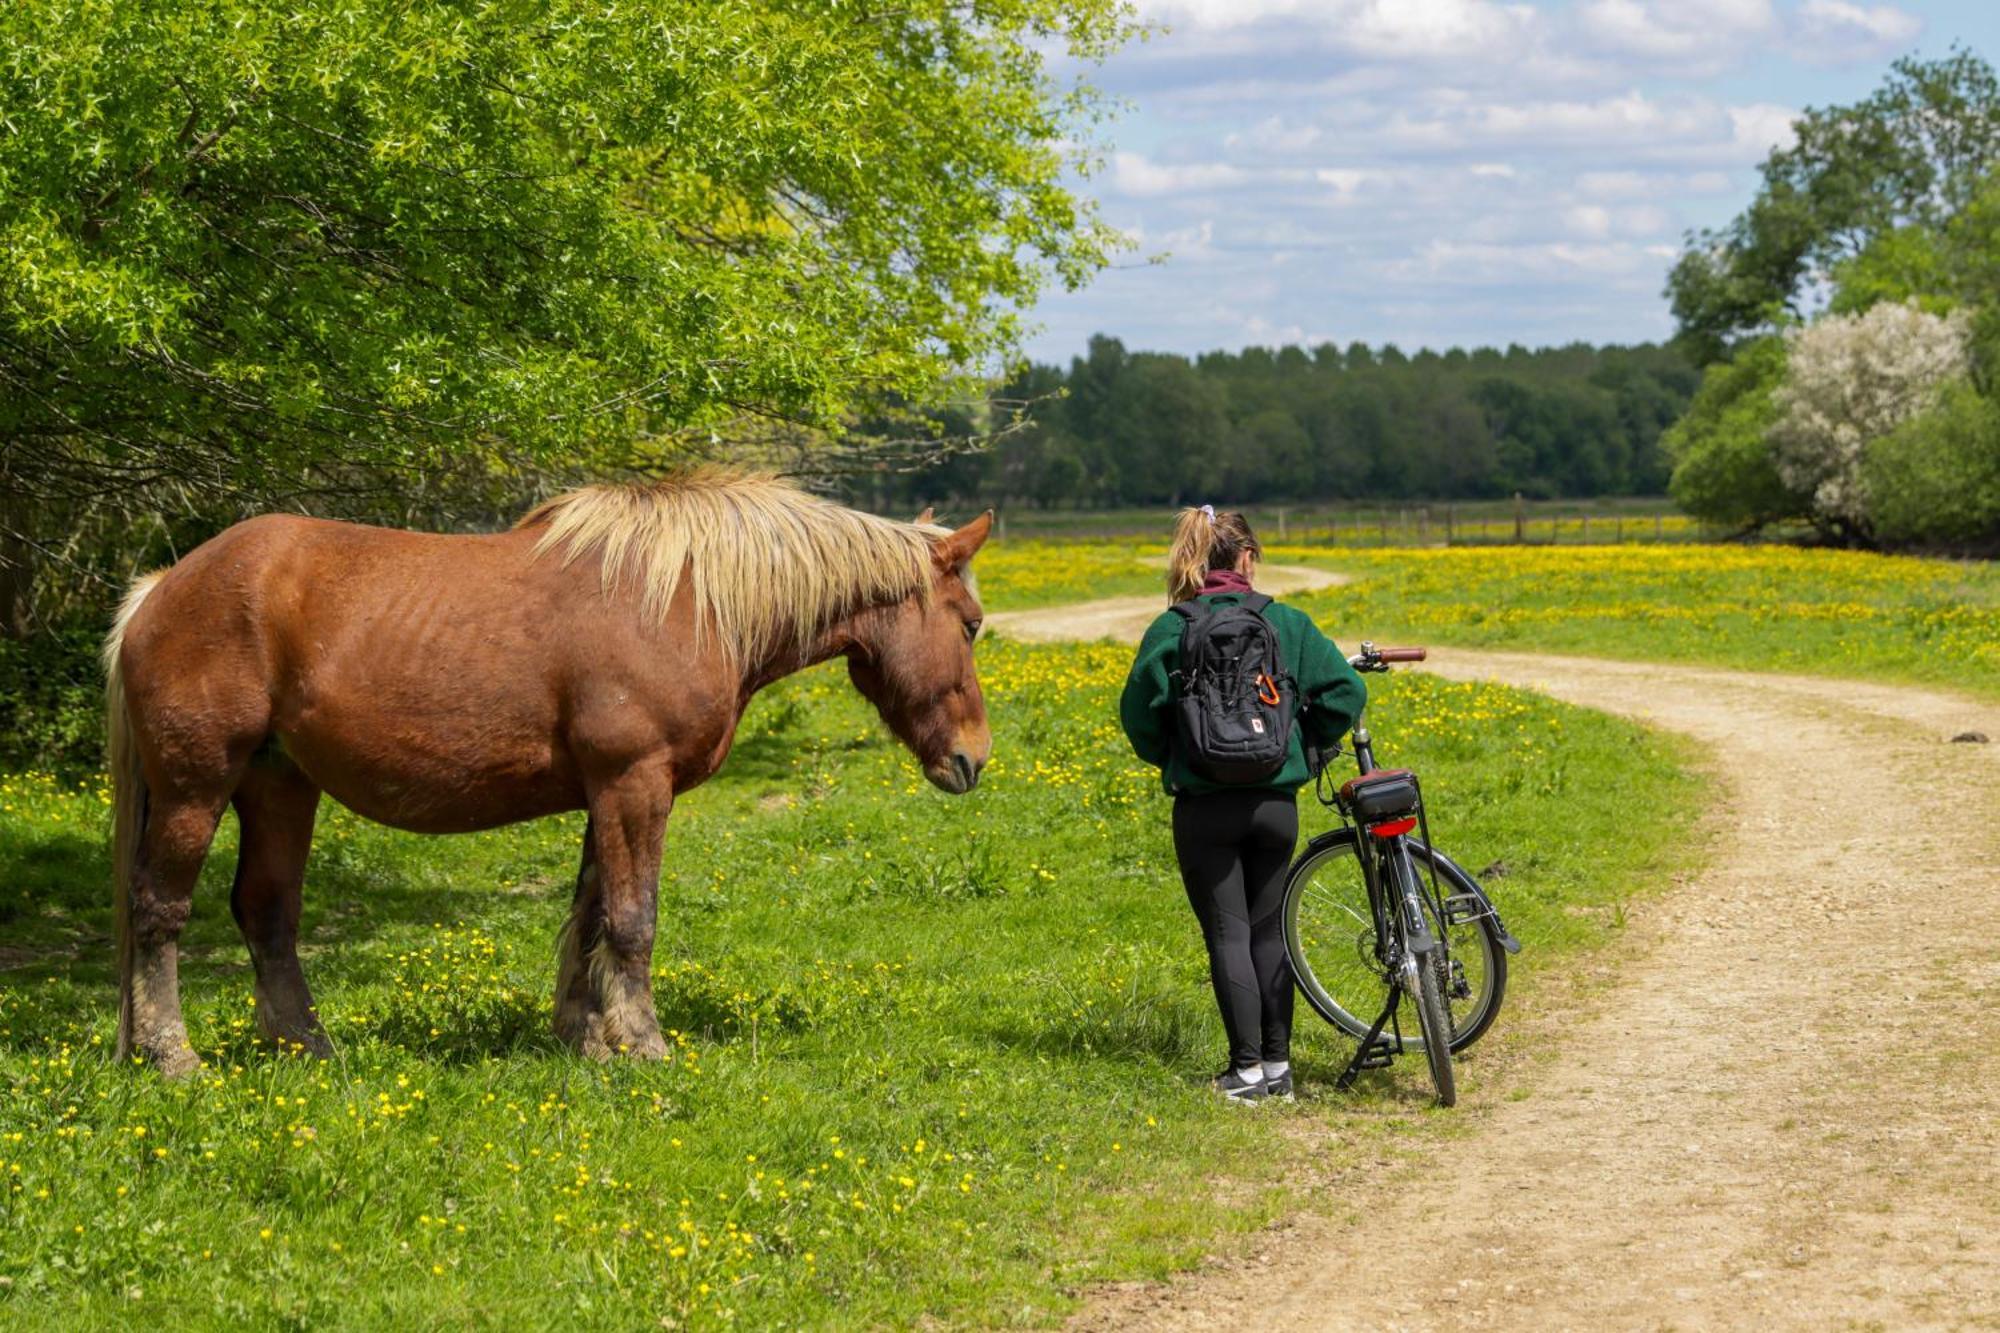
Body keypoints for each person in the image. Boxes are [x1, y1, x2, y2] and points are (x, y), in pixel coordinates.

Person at [1119, 506, 1367, 1102]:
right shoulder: (1287, 623)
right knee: (1267, 930)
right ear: (1247, 558)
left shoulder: (1170, 629)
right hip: (1274, 804)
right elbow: (1346, 693)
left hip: (1204, 808)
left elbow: (1139, 719)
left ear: (1196, 560)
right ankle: (1279, 1069)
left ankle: (1245, 1071)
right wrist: (1300, 746)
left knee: (1227, 935)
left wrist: (1182, 756)